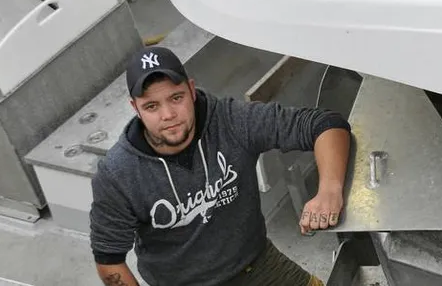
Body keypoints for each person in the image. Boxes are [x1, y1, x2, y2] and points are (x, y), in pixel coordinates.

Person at [89, 46, 352, 286]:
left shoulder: (231, 121)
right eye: (152, 106)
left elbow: (324, 124)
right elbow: (109, 259)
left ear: (192, 90)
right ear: (135, 108)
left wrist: (329, 189)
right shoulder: (117, 174)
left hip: (258, 265)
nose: (168, 115)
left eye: (176, 98)